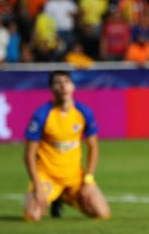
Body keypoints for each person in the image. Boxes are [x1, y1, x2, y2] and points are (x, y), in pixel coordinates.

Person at [23, 70, 112, 221]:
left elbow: (93, 147)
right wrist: (37, 185)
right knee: (32, 216)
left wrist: (88, 180)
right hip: (48, 176)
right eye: (58, 82)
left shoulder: (83, 113)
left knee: (102, 214)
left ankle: (62, 198)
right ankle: (52, 196)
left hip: (74, 178)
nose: (63, 86)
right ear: (52, 89)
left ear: (73, 87)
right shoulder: (42, 115)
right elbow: (29, 155)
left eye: (66, 81)